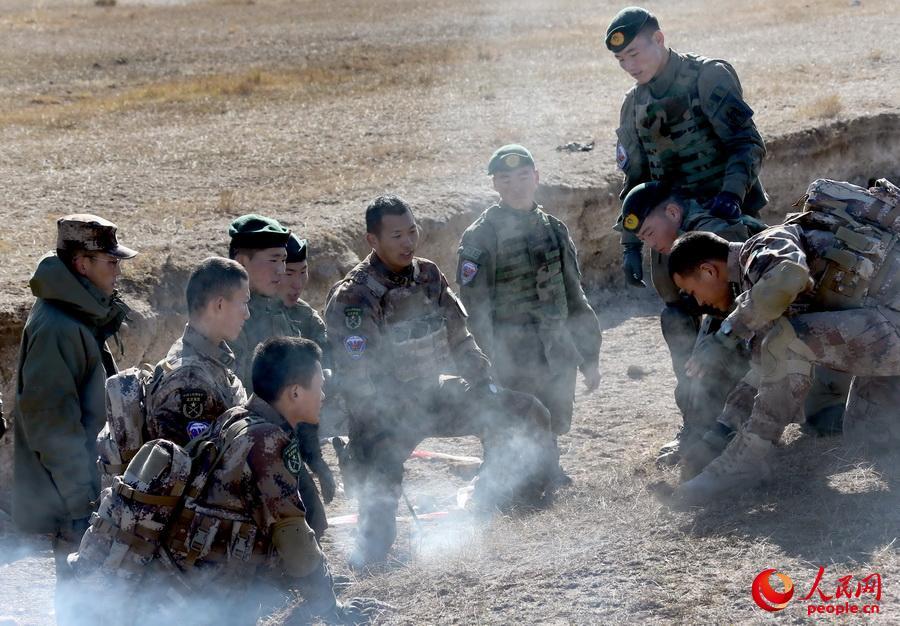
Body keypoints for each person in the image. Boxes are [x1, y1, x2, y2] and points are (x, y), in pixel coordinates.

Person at [72, 337, 384, 625]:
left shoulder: (235, 419)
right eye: (319, 386)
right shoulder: (267, 442)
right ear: (295, 393)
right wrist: (332, 608)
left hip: (173, 590)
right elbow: (295, 543)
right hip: (197, 607)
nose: (324, 396)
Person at [325, 194, 558, 569]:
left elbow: (459, 338)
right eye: (396, 235)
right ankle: (371, 554)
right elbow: (357, 375)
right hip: (386, 415)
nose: (408, 242)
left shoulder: (428, 275)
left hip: (433, 397)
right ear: (373, 240)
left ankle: (517, 500)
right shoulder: (356, 295)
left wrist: (482, 381)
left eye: (412, 231)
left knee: (526, 411)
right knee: (377, 520)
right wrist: (378, 426)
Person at [665, 193, 900, 505]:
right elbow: (763, 367)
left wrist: (725, 336)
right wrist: (719, 434)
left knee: (785, 341)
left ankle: (746, 464)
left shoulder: (762, 247)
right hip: (888, 327)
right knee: (869, 436)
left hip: (892, 325)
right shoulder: (758, 287)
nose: (699, 302)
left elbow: (789, 277)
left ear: (709, 271)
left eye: (692, 291)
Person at [11, 214, 136, 624]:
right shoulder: (58, 326)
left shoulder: (78, 314)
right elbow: (51, 423)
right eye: (111, 262)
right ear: (83, 264)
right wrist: (82, 500)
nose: (118, 271)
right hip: (77, 495)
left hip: (87, 487)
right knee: (84, 605)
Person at [456, 145, 602, 483]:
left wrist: (589, 356)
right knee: (512, 421)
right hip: (511, 352)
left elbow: (574, 295)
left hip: (556, 347)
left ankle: (549, 467)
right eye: (506, 179)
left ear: (536, 177)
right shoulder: (481, 236)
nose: (516, 185)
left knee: (554, 416)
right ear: (495, 184)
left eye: (523, 176)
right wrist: (486, 362)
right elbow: (475, 309)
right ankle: (503, 475)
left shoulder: (554, 229)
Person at [618, 181, 752, 463]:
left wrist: (711, 347)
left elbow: (739, 308)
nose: (651, 244)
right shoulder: (670, 241)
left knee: (710, 352)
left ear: (673, 213)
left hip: (755, 321)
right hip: (726, 318)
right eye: (643, 239)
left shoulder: (715, 232)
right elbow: (682, 304)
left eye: (650, 233)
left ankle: (726, 424)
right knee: (675, 319)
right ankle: (696, 423)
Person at [228, 214, 334, 536]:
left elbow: (296, 394)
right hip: (242, 449)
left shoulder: (281, 316)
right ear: (242, 263)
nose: (281, 272)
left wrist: (314, 457)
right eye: (274, 261)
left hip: (279, 439)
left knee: (312, 519)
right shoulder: (229, 318)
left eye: (284, 261)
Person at [144, 257, 250, 446]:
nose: (247, 314)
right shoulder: (190, 381)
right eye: (243, 302)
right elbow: (191, 460)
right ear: (219, 305)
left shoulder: (209, 360)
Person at [280, 233, 330, 365]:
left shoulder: (306, 316)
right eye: (289, 274)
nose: (298, 284)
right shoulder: (244, 313)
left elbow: (326, 361)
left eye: (303, 272)